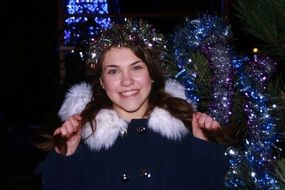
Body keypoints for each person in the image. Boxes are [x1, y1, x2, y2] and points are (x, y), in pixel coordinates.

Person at [35, 19, 229, 190]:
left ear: (152, 75)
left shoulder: (184, 132)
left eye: (136, 67)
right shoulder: (83, 137)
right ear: (102, 82)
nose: (126, 81)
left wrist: (204, 148)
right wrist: (66, 155)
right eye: (113, 71)